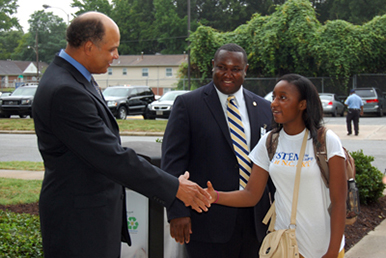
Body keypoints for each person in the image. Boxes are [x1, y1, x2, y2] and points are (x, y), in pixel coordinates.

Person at [32, 12, 211, 258]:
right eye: (112, 49)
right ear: (88, 47)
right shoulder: (65, 90)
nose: (116, 56)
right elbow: (111, 157)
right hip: (78, 225)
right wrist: (175, 187)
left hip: (88, 217)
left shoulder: (74, 79)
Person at [206, 74, 347, 258]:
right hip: (283, 246)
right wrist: (214, 196)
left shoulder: (325, 140)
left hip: (322, 247)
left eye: (283, 98)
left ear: (302, 104)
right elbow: (251, 194)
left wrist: (332, 252)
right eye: (273, 97)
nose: (274, 103)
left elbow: (338, 202)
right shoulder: (269, 142)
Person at [161, 43, 274, 258]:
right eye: (222, 67)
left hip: (256, 223)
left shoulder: (264, 108)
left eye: (235, 69)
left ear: (245, 69)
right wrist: (177, 211)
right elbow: (173, 163)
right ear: (213, 65)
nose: (228, 74)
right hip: (206, 222)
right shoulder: (188, 104)